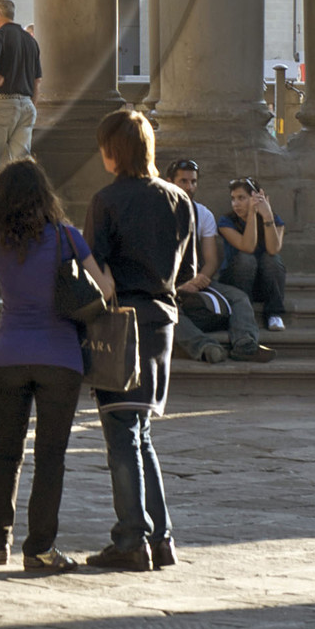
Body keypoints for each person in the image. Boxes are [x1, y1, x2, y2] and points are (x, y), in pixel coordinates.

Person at [0, 159, 111, 574]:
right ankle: (40, 548)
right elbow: (103, 291)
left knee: (6, 452)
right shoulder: (67, 237)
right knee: (50, 457)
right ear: (45, 195)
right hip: (60, 356)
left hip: (8, 353)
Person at [82, 107, 196, 572]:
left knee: (122, 433)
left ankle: (132, 537)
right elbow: (186, 272)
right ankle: (161, 537)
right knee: (141, 430)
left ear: (112, 153)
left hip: (121, 321)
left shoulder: (106, 201)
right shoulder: (179, 200)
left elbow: (92, 269)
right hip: (163, 319)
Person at [167, 160, 270, 362]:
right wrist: (177, 286)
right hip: (166, 283)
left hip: (196, 279)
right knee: (166, 312)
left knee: (239, 297)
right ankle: (205, 347)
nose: (189, 187)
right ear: (169, 182)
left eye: (193, 182)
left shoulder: (203, 214)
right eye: (183, 181)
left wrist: (200, 279)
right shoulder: (156, 212)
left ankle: (245, 344)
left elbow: (211, 260)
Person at [0, 0, 43, 196]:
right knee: (22, 163)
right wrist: (32, 105)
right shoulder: (31, 40)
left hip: (1, 103)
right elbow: (38, 81)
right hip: (26, 105)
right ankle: (25, 209)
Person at [213, 179, 288, 331]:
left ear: (256, 198)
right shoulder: (226, 221)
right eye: (233, 199)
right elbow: (247, 247)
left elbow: (274, 249)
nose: (235, 204)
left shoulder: (275, 220)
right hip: (235, 282)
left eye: (241, 198)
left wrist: (267, 216)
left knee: (271, 259)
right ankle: (245, 314)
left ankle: (274, 314)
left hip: (262, 285)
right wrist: (252, 214)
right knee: (246, 258)